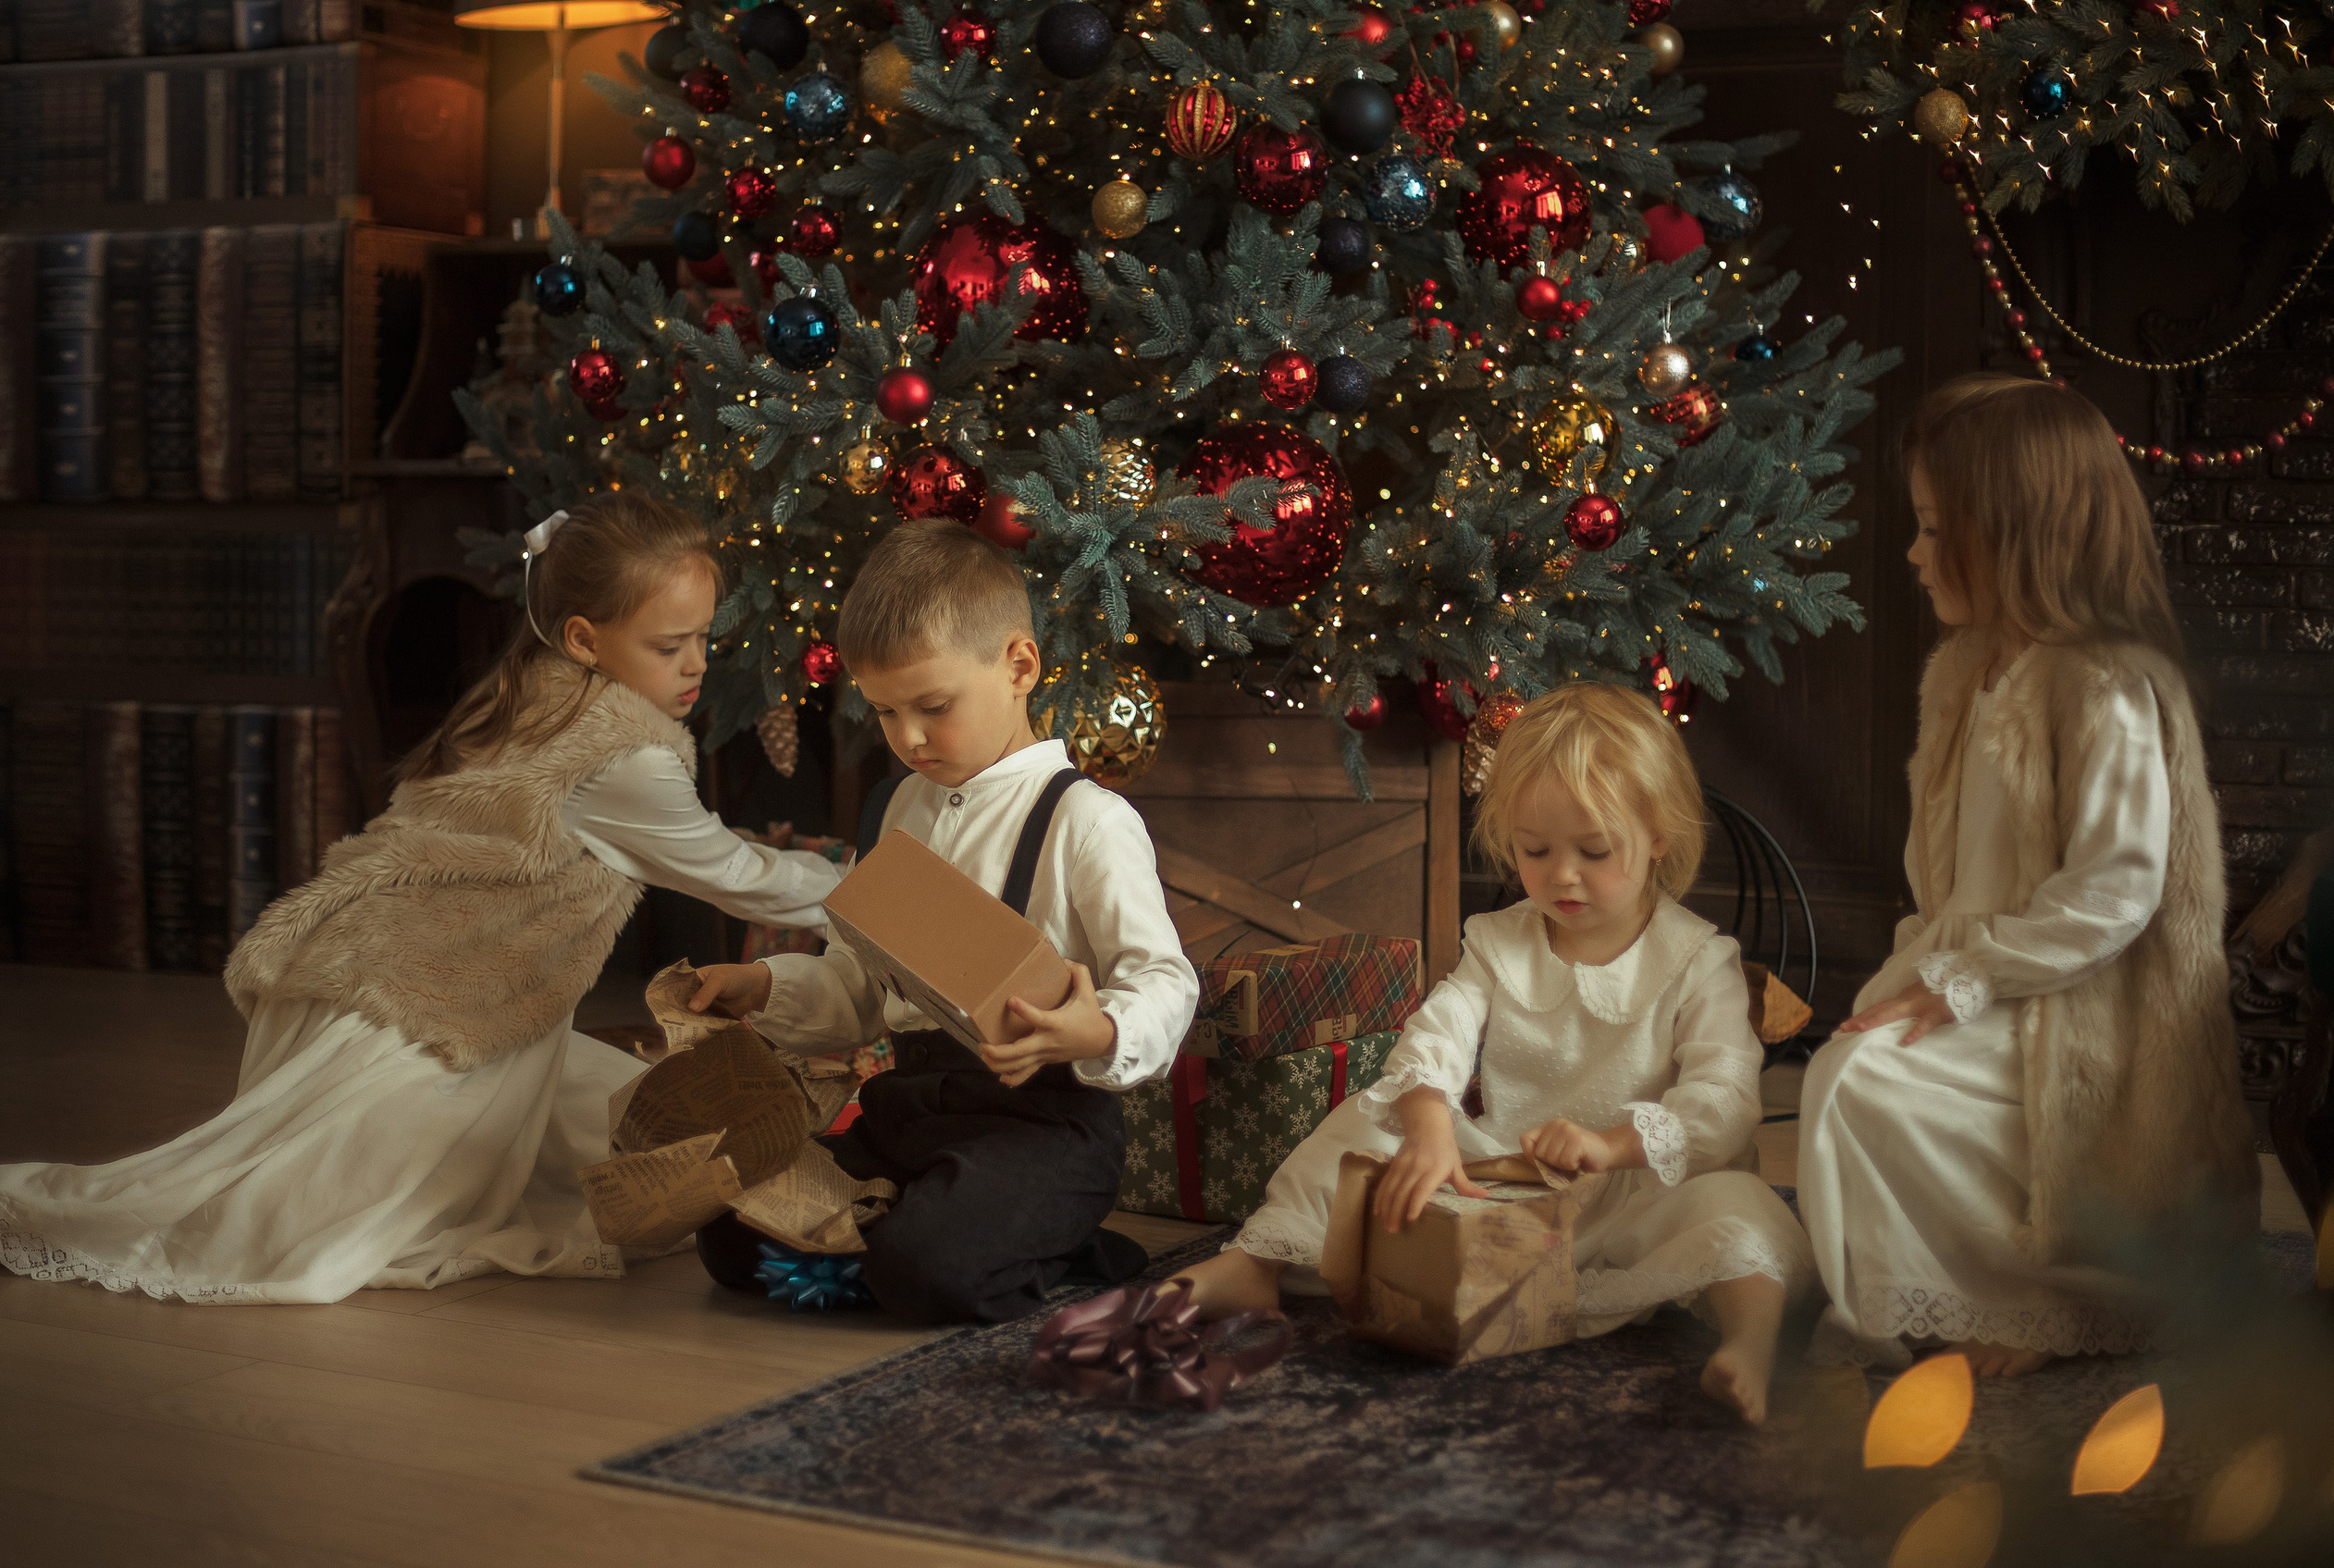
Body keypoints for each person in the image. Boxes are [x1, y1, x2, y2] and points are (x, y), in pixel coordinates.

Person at [0, 492, 846, 1303]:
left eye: (704, 639)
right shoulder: (625, 759)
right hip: (427, 1016)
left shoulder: (535, 693)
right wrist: (868, 887)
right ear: (583, 639)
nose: (696, 665)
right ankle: (9, 1209)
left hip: (370, 971)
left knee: (629, 1141)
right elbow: (734, 874)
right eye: (670, 646)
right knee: (284, 1229)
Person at [1169, 684, 1812, 1424]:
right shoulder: (1501, 941)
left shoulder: (1700, 961)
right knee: (1358, 1128)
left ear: (1659, 835)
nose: (1562, 875)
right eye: (1535, 851)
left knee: (1742, 1210)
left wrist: (1611, 1147)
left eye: (1593, 851)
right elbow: (1436, 1035)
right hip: (1506, 1185)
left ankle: (1747, 1343)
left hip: (1641, 1193)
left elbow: (1724, 1101)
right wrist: (1432, 1125)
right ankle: (1258, 1263)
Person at [1797, 375, 2257, 1375]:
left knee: (1867, 1087)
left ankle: (2030, 1306)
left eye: (1931, 528)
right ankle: (1931, 1291)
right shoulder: (1966, 674)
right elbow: (1949, 879)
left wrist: (1964, 979)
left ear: (2012, 534)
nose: (1913, 554)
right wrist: (1922, 973)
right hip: (1983, 980)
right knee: (1841, 1075)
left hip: (2072, 1010)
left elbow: (2114, 889)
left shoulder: (2105, 684)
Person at [685, 519, 1199, 1325]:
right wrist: (760, 985)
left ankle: (1042, 1248)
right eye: (886, 714)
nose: (909, 739)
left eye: (932, 706)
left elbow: (1167, 980)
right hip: (911, 1115)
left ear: (1019, 665)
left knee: (926, 1265)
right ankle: (913, 1235)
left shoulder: (1087, 822)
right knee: (728, 1229)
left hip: (1043, 1127)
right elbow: (858, 988)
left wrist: (1095, 1029)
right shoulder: (896, 813)